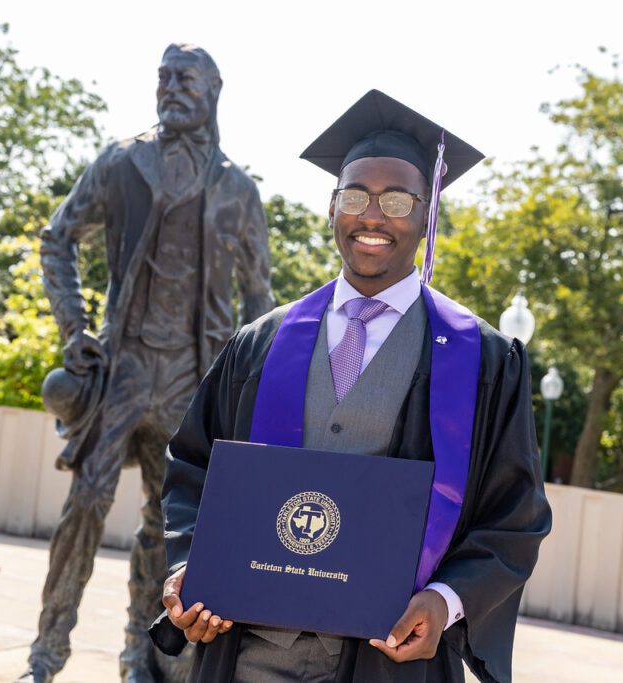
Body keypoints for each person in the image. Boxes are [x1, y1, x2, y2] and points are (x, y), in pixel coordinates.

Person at [150, 90, 552, 683]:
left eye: (397, 199)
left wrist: (445, 600)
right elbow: (192, 469)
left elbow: (515, 517)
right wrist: (193, 567)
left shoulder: (482, 360)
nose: (373, 216)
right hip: (249, 654)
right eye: (356, 195)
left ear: (426, 215)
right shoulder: (261, 343)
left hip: (385, 660)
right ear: (332, 207)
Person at [21, 44, 272, 683]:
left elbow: (260, 301)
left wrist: (246, 392)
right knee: (84, 507)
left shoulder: (239, 190)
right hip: (123, 368)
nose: (169, 86)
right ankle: (45, 658)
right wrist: (75, 327)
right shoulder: (119, 163)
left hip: (194, 380)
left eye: (184, 77)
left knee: (167, 530)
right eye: (162, 76)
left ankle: (141, 661)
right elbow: (58, 238)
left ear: (214, 89)